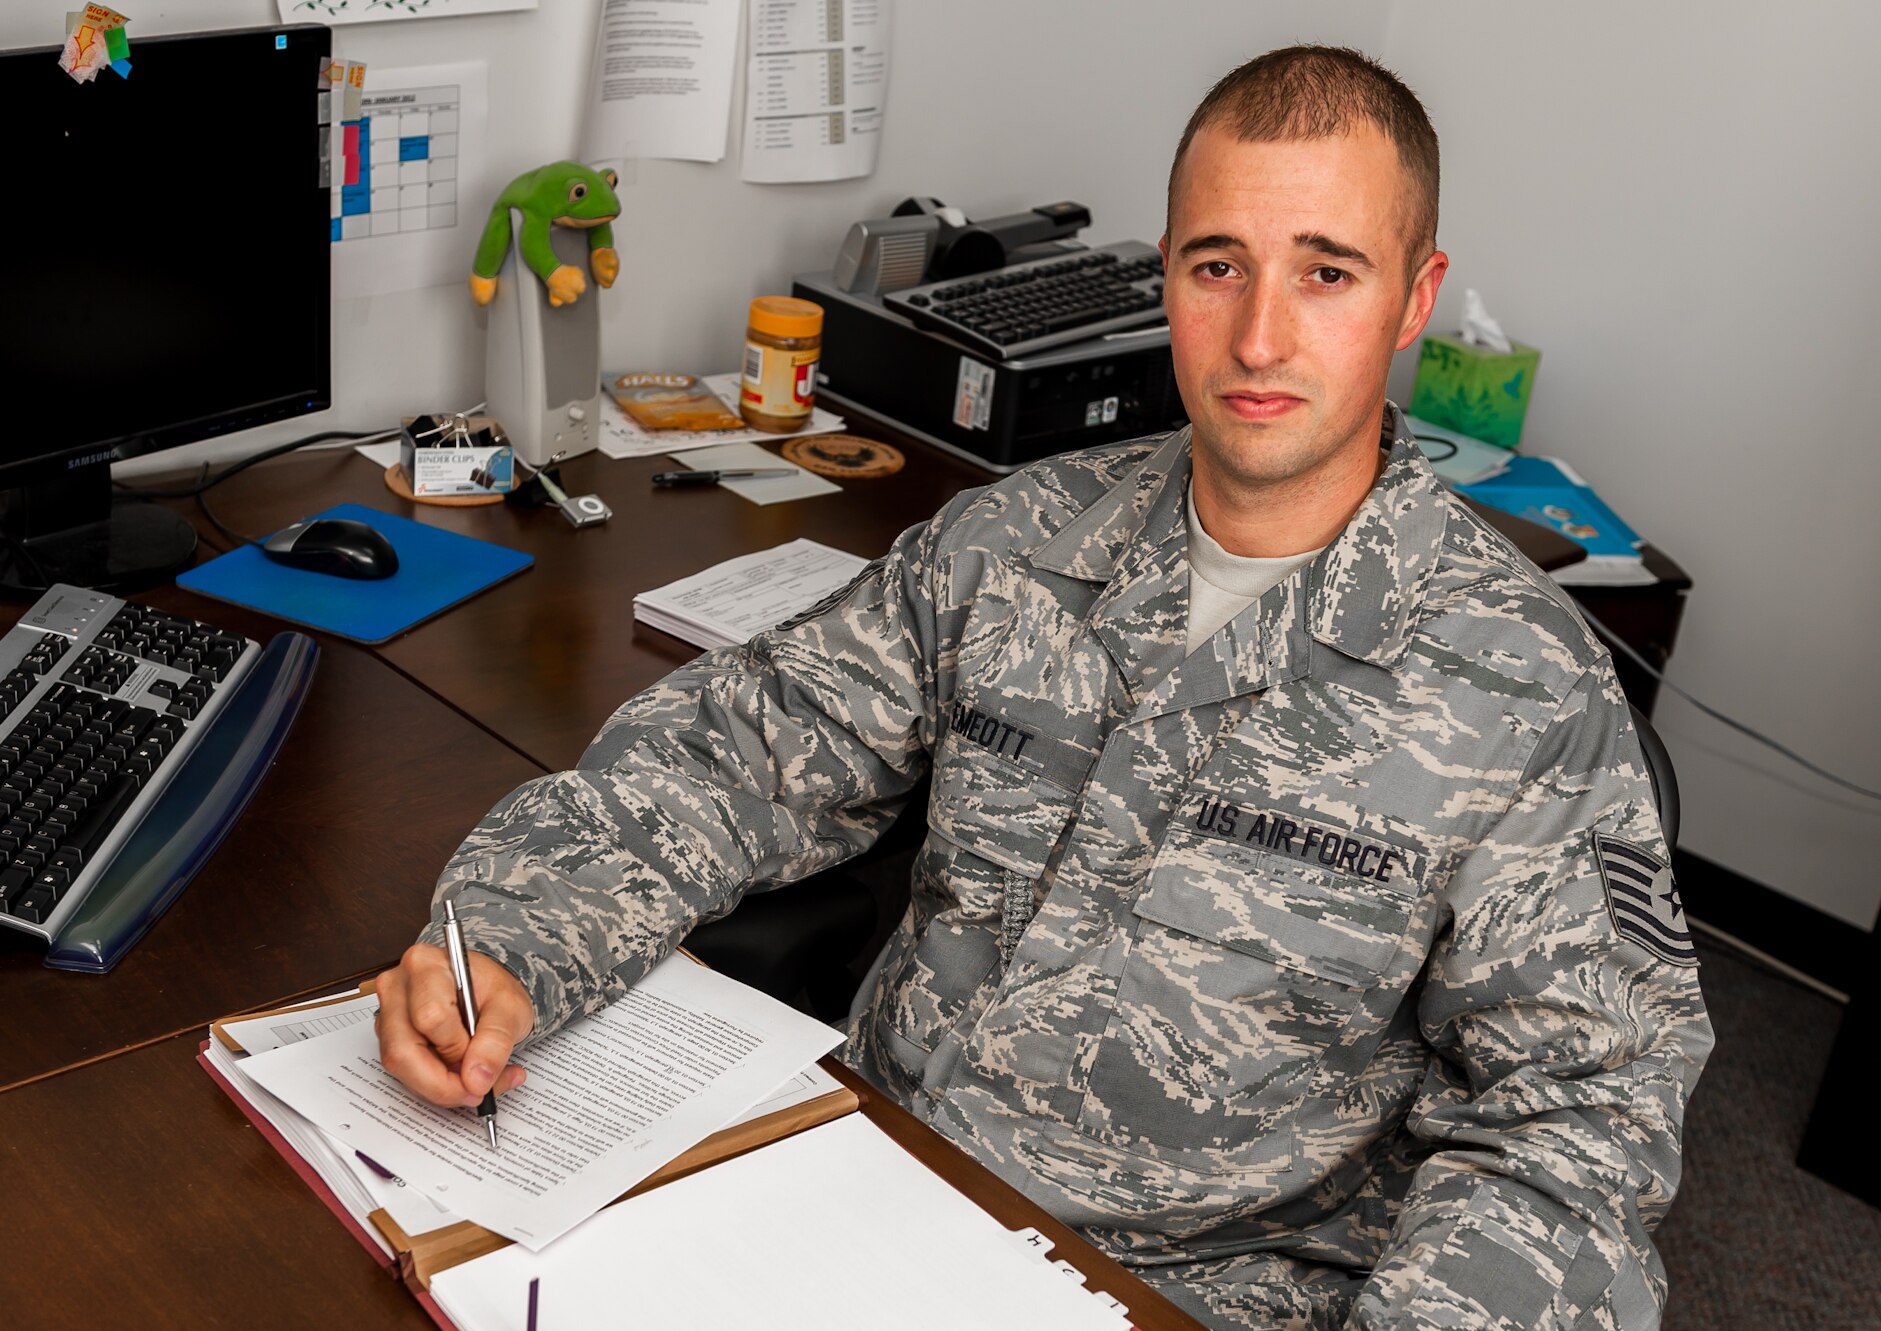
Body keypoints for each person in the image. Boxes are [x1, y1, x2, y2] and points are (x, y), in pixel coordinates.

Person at [374, 45, 1712, 1331]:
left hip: (1189, 1287)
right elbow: (737, 750)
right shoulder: (1013, 543)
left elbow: (1575, 1135)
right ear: (1167, 282)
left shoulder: (1524, 687)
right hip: (854, 1190)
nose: (1257, 335)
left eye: (1326, 272)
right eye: (1216, 265)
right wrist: (507, 937)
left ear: (1415, 298)